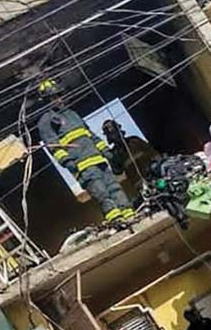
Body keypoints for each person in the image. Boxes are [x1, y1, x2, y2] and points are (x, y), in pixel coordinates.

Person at [35, 79, 136, 223]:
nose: (60, 99)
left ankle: (129, 214)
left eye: (60, 95)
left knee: (114, 187)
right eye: (54, 97)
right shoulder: (46, 122)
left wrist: (105, 151)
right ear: (46, 101)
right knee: (102, 193)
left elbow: (91, 135)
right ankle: (117, 219)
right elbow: (54, 147)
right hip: (82, 166)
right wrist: (68, 162)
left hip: (98, 160)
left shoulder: (72, 114)